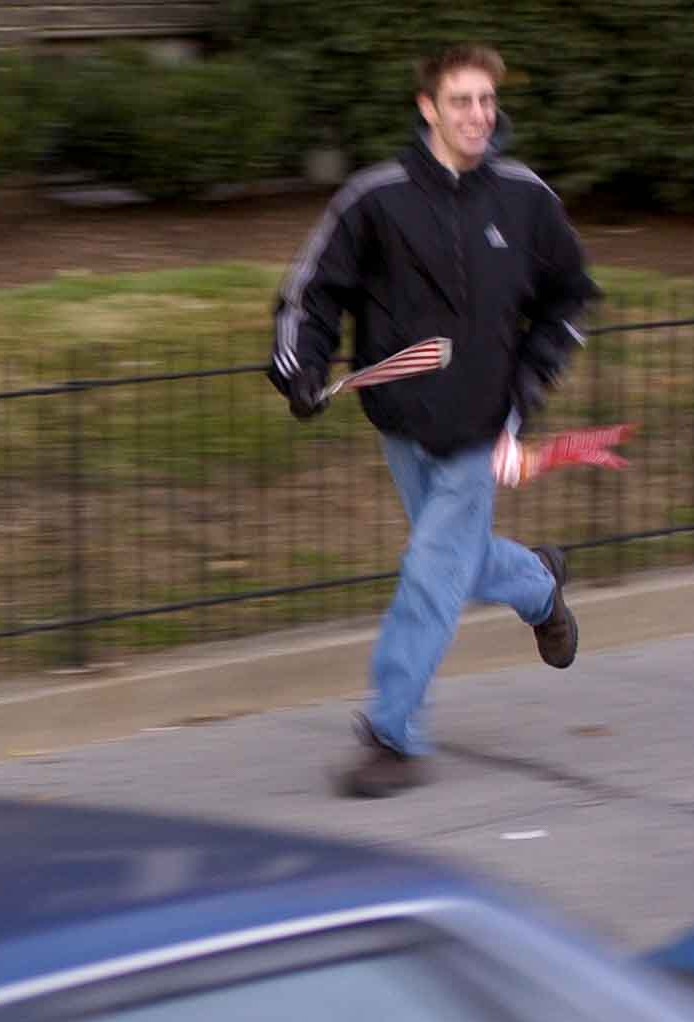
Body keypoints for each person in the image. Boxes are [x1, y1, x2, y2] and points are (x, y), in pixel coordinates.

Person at [268, 44, 598, 798]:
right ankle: (538, 583)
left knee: (429, 573)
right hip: (401, 420)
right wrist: (302, 370)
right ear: (428, 108)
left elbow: (569, 297)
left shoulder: (524, 198)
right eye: (461, 101)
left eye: (486, 101)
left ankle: (394, 732)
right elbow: (310, 293)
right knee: (456, 562)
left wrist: (528, 385)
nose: (479, 116)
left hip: (482, 424)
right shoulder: (375, 198)